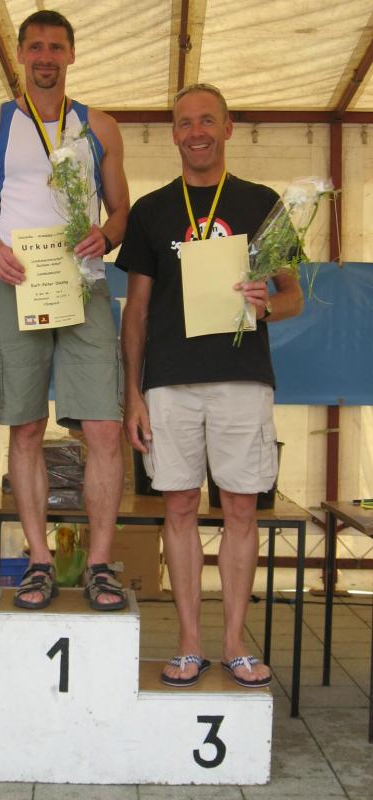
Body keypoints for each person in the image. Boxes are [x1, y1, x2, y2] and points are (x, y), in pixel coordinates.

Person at [118, 84, 303, 688]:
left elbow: (293, 296)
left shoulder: (261, 202)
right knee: (177, 506)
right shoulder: (150, 210)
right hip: (169, 382)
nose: (195, 132)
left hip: (242, 378)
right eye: (183, 123)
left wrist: (266, 304)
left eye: (206, 121)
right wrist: (132, 393)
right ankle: (190, 644)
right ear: (172, 133)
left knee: (241, 508)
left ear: (227, 128)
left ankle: (235, 644)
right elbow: (136, 311)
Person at [0, 10, 130, 610]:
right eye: (35, 47)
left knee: (104, 428)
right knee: (27, 425)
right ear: (20, 54)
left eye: (56, 47)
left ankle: (100, 565)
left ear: (72, 55)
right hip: (19, 282)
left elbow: (121, 211)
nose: (45, 57)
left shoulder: (100, 126)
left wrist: (106, 236)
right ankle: (39, 561)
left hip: (84, 283)